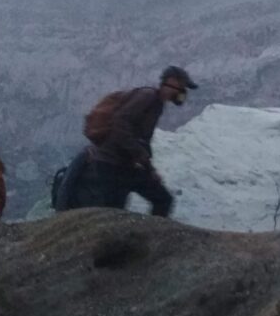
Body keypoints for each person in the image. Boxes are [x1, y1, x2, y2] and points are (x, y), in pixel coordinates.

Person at [76, 65, 197, 216]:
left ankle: (149, 236)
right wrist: (139, 154)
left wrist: (149, 169)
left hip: (124, 164)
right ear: (171, 82)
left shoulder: (157, 104)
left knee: (161, 200)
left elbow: (140, 140)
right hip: (111, 164)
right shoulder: (148, 96)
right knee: (117, 211)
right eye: (182, 87)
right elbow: (120, 122)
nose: (183, 92)